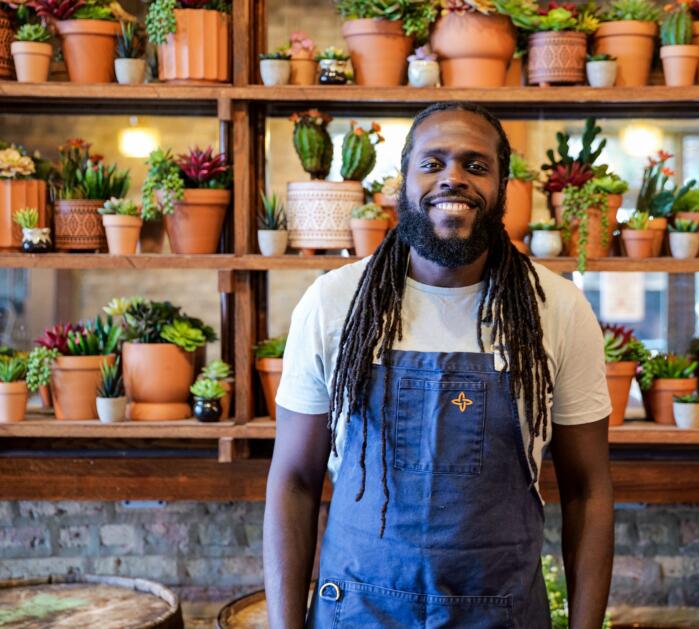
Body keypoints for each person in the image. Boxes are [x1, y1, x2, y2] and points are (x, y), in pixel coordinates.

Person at [263, 102, 614, 629]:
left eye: (476, 166)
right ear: (401, 183)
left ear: (503, 188)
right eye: (432, 164)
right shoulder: (335, 303)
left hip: (501, 613)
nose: (453, 178)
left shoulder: (556, 309)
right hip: (357, 609)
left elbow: (588, 489)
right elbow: (293, 480)